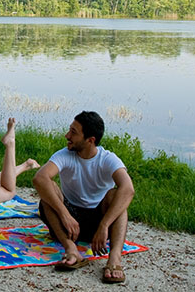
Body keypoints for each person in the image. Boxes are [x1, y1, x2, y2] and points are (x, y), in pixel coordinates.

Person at [32, 111, 135, 284]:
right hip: (68, 224)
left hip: (99, 223)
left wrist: (104, 225)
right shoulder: (64, 155)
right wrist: (65, 215)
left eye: (74, 132)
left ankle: (114, 259)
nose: (67, 136)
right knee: (48, 196)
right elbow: (39, 178)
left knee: (116, 197)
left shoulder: (108, 159)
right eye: (69, 130)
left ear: (90, 140)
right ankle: (71, 249)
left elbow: (128, 189)